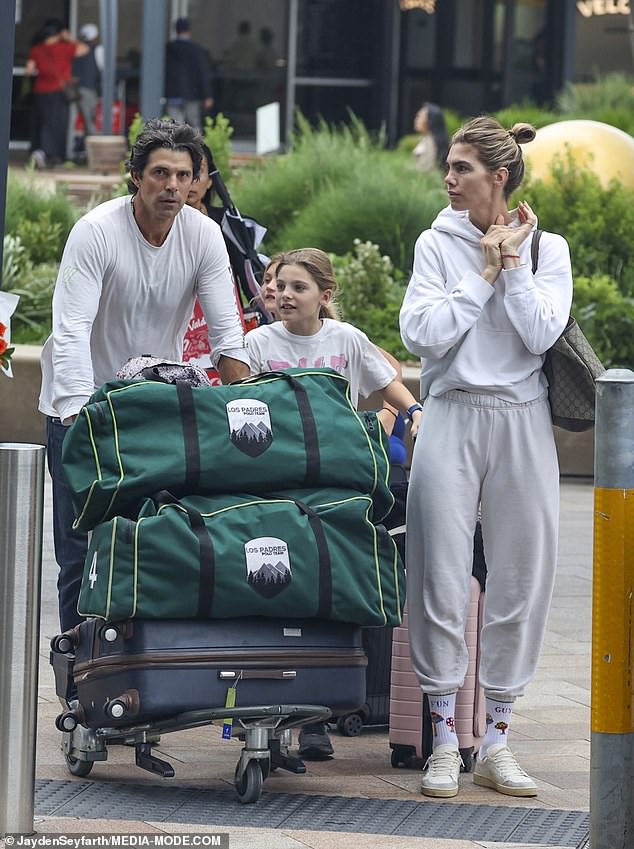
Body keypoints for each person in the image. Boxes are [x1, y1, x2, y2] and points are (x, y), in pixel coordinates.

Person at [399, 116, 573, 799]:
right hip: (452, 412)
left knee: (521, 578)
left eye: (462, 167)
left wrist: (513, 264)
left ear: (499, 177)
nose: (448, 177)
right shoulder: (434, 244)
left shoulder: (549, 248)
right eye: (449, 164)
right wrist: (482, 270)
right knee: (438, 572)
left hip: (523, 418)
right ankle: (445, 738)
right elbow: (424, 334)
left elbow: (538, 333)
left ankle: (496, 737)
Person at [39, 118, 250, 635]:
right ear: (136, 176)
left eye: (184, 175)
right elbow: (70, 332)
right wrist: (76, 418)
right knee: (82, 554)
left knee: (154, 548)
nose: (173, 186)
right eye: (160, 173)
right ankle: (78, 683)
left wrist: (248, 416)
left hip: (156, 411)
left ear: (196, 182)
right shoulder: (95, 232)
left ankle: (138, 675)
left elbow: (229, 337)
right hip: (82, 410)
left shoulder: (204, 236)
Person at [246, 247, 424, 760]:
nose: (284, 295)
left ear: (325, 297)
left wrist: (413, 411)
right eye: (279, 286)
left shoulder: (344, 340)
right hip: (276, 485)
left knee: (326, 593)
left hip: (332, 487)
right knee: (276, 593)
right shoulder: (256, 344)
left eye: (298, 288)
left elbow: (388, 385)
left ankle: (317, 717)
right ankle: (272, 719)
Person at [25, 18, 89, 168]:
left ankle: (39, 151)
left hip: (40, 91)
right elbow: (84, 49)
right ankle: (52, 155)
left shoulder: (37, 49)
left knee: (43, 122)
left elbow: (29, 70)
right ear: (59, 34)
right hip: (58, 92)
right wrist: (68, 38)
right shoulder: (64, 47)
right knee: (58, 124)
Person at [165, 17, 214, 130]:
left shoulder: (168, 49)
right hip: (192, 94)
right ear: (189, 31)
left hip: (172, 93)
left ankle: (175, 147)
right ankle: (196, 147)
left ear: (175, 30)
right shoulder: (196, 50)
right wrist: (207, 95)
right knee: (194, 124)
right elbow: (202, 73)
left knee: (173, 126)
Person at [73, 23, 104, 141]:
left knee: (73, 121)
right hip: (89, 88)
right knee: (90, 121)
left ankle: (70, 150)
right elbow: (103, 69)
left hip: (72, 89)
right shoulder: (98, 49)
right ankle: (94, 147)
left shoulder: (76, 48)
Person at [412, 102, 449, 173]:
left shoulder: (431, 143)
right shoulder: (425, 139)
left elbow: (427, 169)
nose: (416, 120)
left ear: (429, 121)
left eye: (419, 116)